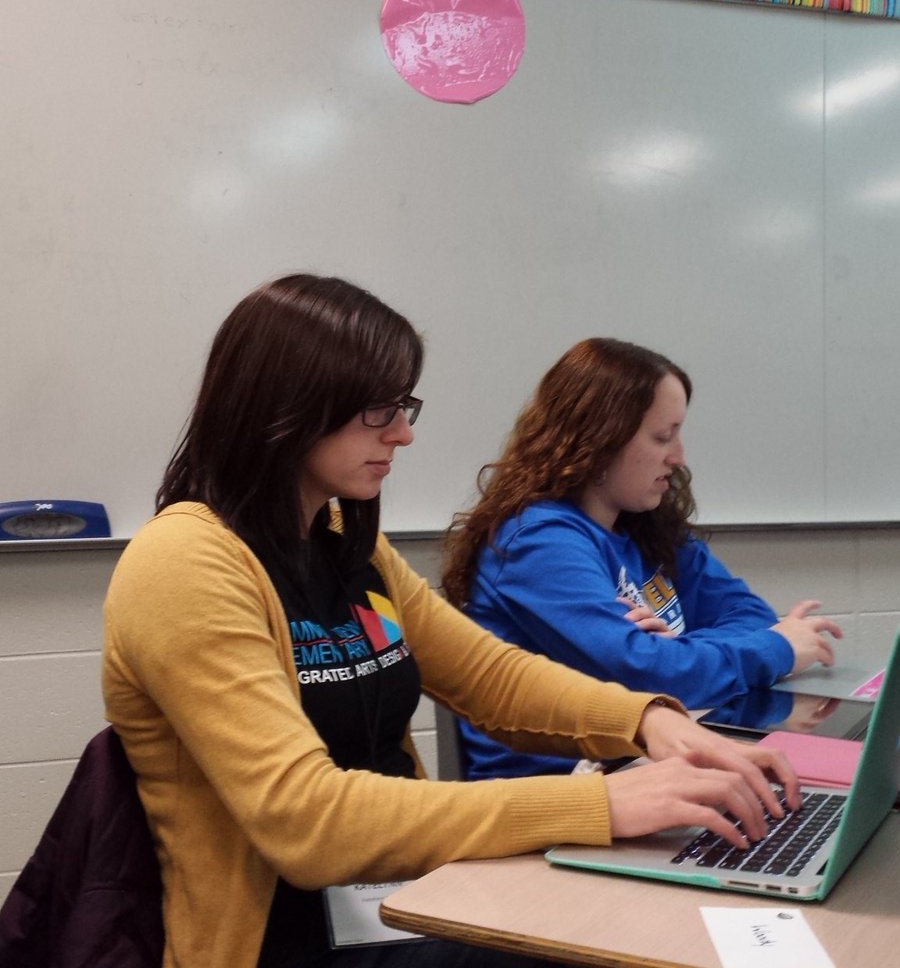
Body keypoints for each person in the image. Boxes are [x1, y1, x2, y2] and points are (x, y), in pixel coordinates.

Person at [103, 279, 799, 968]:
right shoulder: (184, 563)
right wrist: (600, 804)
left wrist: (651, 722)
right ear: (289, 408)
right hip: (286, 944)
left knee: (667, 917)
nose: (404, 434)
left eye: (403, 407)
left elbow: (492, 677)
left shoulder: (346, 541)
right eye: (379, 411)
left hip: (396, 904)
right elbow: (306, 819)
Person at [442, 338, 843, 781]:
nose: (679, 456)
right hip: (557, 797)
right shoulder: (537, 541)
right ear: (599, 438)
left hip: (638, 769)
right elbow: (646, 674)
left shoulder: (643, 523)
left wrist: (672, 655)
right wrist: (779, 648)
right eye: (662, 437)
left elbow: (747, 614)